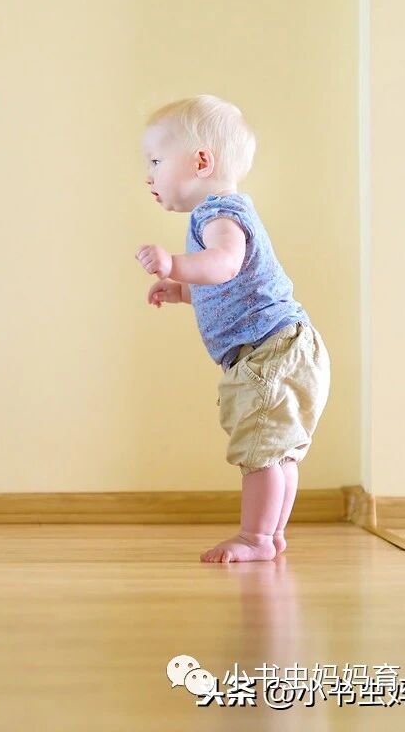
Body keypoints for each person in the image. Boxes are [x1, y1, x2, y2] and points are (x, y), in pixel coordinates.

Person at [134, 95, 330, 563]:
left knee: (260, 449)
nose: (149, 175)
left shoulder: (218, 214)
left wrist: (174, 264)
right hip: (285, 345)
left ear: (201, 162)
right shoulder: (224, 212)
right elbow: (227, 284)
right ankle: (271, 534)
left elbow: (225, 264)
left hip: (269, 350)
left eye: (156, 161)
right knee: (277, 450)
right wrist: (183, 290)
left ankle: (255, 538)